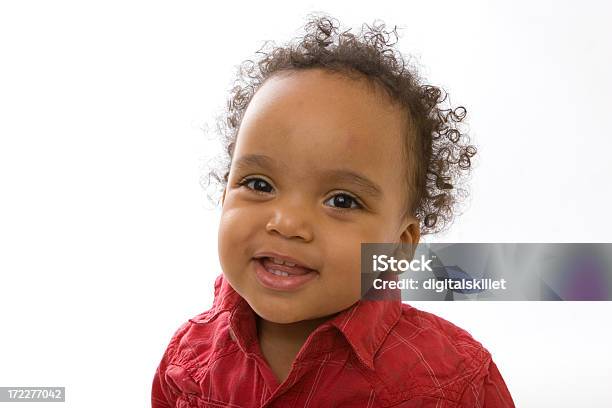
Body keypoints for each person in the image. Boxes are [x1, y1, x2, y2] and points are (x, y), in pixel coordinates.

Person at [152, 13, 515, 407]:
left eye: (341, 200)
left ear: (400, 245)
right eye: (259, 184)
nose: (287, 223)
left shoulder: (452, 379)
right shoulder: (188, 362)